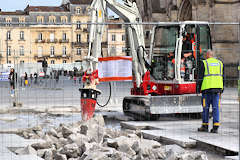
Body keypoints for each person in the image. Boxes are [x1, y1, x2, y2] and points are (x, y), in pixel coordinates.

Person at [197, 50, 224, 133]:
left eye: (205, 55)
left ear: (208, 55)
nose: (204, 56)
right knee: (216, 108)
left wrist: (198, 89)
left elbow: (200, 78)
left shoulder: (204, 63)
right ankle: (216, 126)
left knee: (206, 108)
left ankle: (205, 126)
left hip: (207, 90)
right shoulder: (220, 63)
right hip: (217, 89)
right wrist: (222, 89)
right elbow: (223, 76)